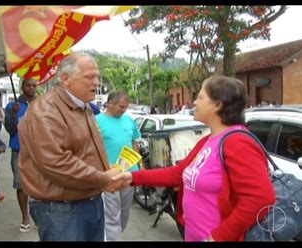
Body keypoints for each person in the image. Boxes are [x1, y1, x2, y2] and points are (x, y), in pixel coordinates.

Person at [114, 75, 276, 241]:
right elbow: (177, 173)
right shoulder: (209, 140)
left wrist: (219, 236)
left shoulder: (238, 142)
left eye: (200, 97)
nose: (194, 102)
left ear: (218, 104)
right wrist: (132, 177)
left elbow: (261, 198)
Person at [17, 53, 123, 241]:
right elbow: (56, 163)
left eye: (97, 76)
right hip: (62, 210)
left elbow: (86, 149)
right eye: (90, 77)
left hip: (89, 201)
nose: (96, 82)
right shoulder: (46, 110)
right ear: (66, 79)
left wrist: (107, 169)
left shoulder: (84, 107)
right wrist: (102, 178)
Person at [96, 90, 142, 241]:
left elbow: (134, 143)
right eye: (121, 107)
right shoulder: (96, 121)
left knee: (124, 212)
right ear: (110, 103)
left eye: (126, 107)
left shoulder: (129, 120)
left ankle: (115, 235)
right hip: (110, 176)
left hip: (129, 175)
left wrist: (140, 166)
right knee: (111, 215)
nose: (124, 110)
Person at [4, 78, 38, 232]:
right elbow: (10, 130)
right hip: (19, 151)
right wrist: (13, 114)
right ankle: (25, 217)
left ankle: (38, 216)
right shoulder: (12, 106)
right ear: (22, 87)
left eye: (34, 85)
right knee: (20, 184)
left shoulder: (42, 104)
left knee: (40, 185)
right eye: (28, 85)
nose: (32, 88)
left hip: (39, 151)